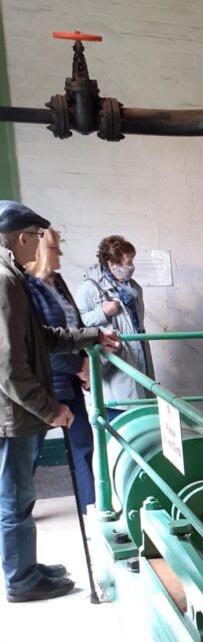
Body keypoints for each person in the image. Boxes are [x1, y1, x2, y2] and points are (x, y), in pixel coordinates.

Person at [0, 200, 120, 603]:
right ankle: (21, 580)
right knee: (15, 498)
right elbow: (8, 367)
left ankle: (26, 567)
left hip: (16, 410)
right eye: (38, 236)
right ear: (22, 237)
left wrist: (92, 336)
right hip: (11, 414)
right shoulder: (4, 280)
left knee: (20, 495)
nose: (41, 244)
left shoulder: (13, 276)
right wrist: (51, 409)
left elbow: (42, 337)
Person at [26, 228, 94, 511]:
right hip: (43, 384)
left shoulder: (58, 282)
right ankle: (15, 514)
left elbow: (75, 327)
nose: (60, 253)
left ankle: (91, 509)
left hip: (71, 380)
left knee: (83, 445)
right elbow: (40, 342)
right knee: (29, 454)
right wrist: (79, 366)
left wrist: (86, 361)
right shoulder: (26, 288)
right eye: (55, 248)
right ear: (41, 251)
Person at [75, 235, 154, 416]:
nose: (132, 267)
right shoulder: (89, 288)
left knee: (142, 407)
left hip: (138, 355)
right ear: (111, 264)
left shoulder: (134, 288)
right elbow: (77, 326)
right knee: (120, 412)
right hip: (114, 361)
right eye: (128, 262)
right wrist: (103, 313)